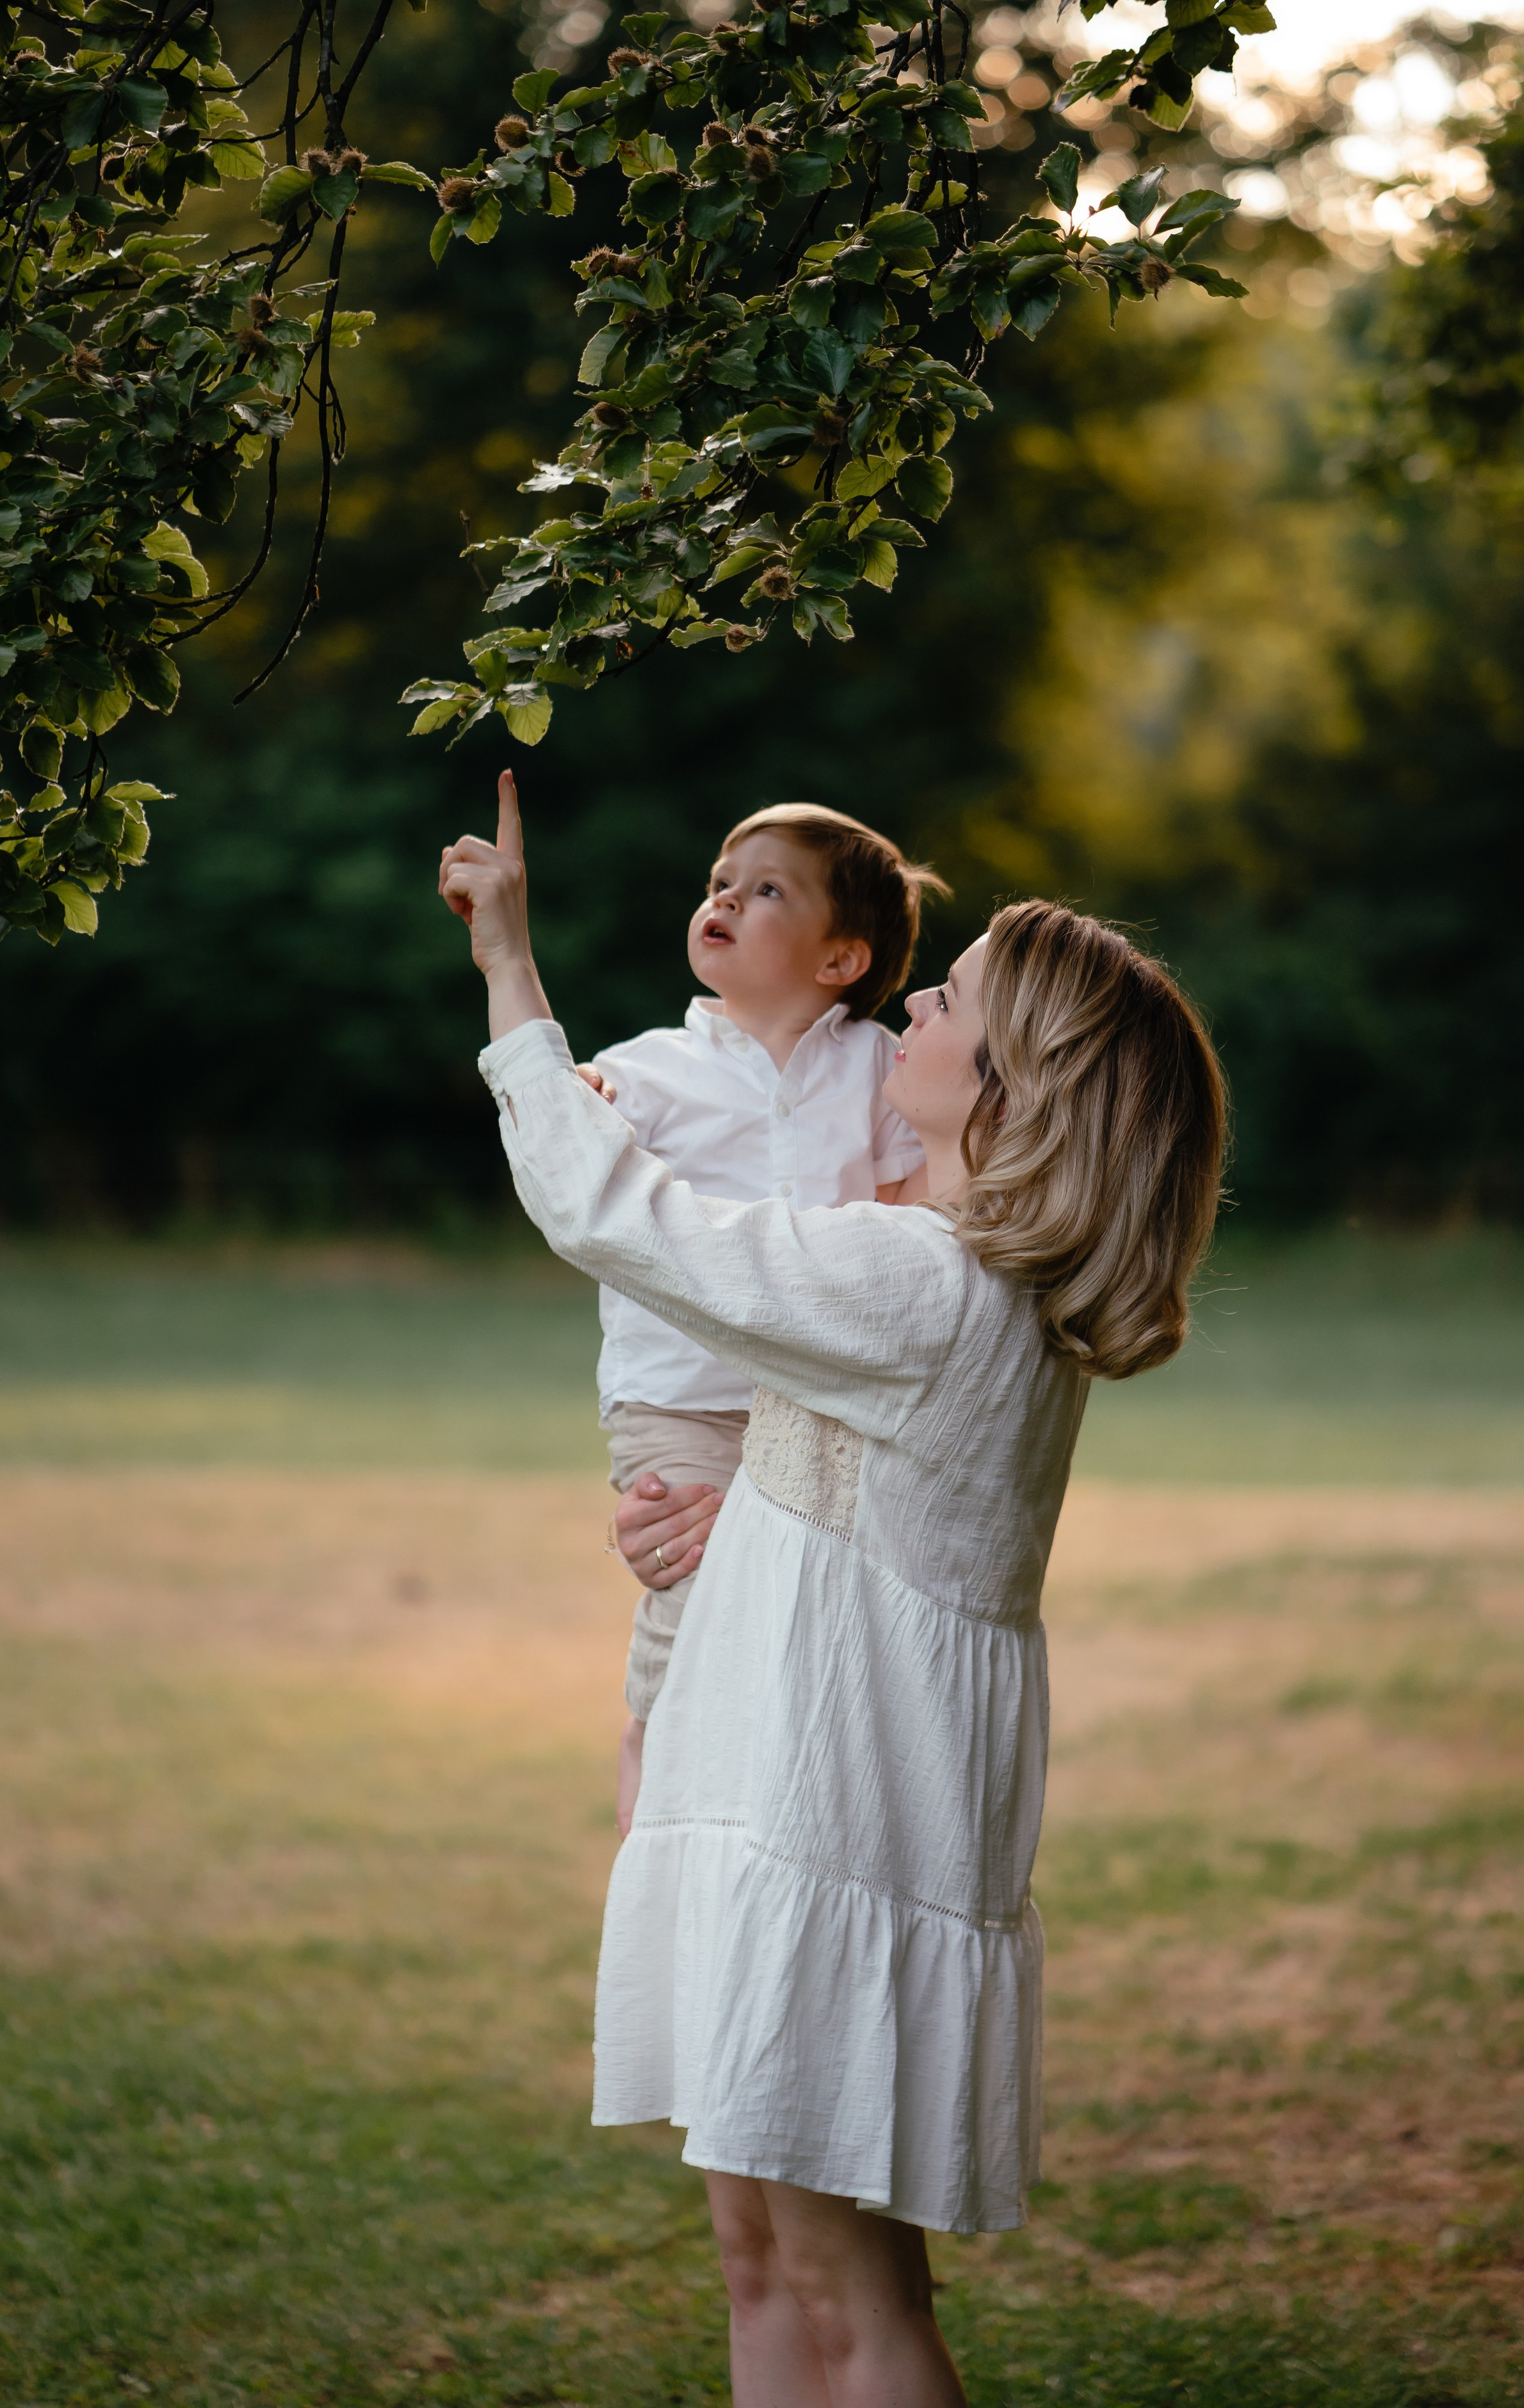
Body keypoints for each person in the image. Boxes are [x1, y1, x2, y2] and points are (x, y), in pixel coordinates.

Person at [441, 772, 1226, 2408]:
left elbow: (610, 1209)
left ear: (1004, 1087)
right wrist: (729, 1517)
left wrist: (505, 962)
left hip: (825, 1821)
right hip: (793, 1790)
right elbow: (873, 1497)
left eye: (944, 1002)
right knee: (764, 2266)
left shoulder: (915, 1279)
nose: (917, 1008)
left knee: (852, 2299)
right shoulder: (951, 1276)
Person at [581, 803, 944, 1835]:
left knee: (802, 1637)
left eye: (768, 888)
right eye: (722, 879)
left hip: (825, 1403)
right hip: (683, 1401)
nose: (726, 897)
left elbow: (919, 1210)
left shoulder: (879, 1069)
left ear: (841, 960)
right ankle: (651, 1845)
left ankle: (770, 1846)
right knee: (691, 1620)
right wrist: (581, 1098)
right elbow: (581, 1151)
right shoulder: (647, 1069)